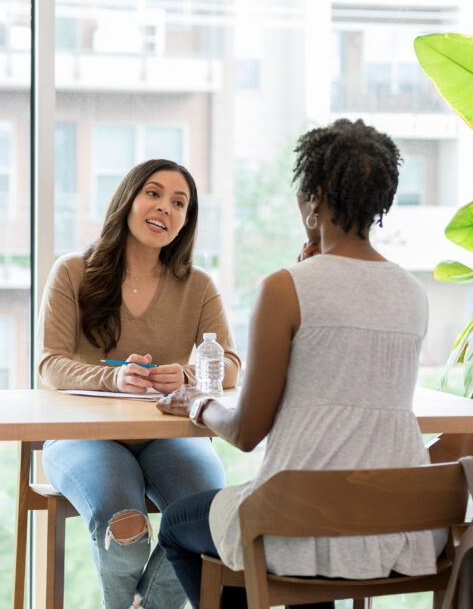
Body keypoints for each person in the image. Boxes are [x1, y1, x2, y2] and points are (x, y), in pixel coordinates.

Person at [155, 119, 439, 609]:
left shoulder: (286, 288)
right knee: (313, 527)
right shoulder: (414, 294)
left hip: (298, 521)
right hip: (393, 526)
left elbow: (246, 432)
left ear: (316, 197)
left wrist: (198, 403)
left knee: (178, 525)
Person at [37, 158, 241, 609]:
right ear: (128, 199)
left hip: (169, 435)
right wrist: (113, 377)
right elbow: (50, 363)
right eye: (153, 193)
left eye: (179, 202)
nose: (164, 207)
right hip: (84, 437)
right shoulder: (72, 271)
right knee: (125, 530)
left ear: (185, 222)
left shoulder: (199, 285)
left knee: (207, 518)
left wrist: (186, 374)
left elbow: (229, 364)